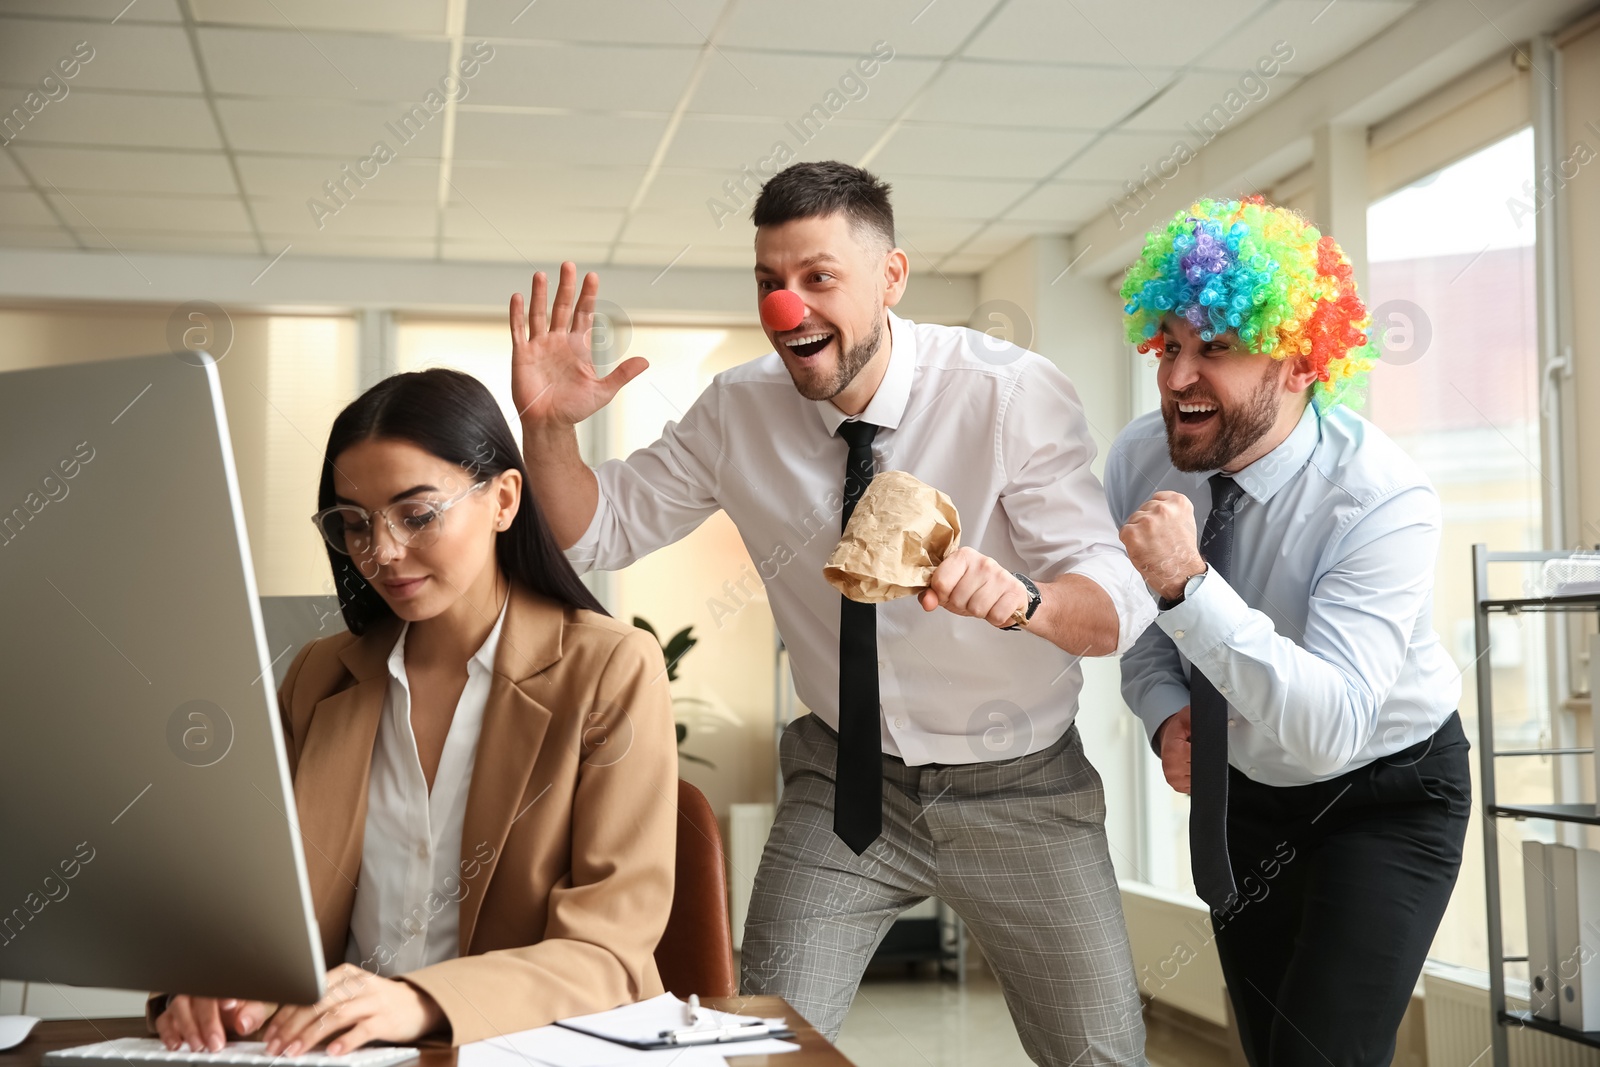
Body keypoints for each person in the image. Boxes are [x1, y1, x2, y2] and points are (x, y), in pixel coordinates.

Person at [509, 160, 1156, 1066]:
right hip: (844, 779)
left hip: (1022, 784)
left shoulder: (1006, 392)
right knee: (762, 1051)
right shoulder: (739, 409)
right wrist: (546, 429)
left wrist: (1025, 600)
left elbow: (1115, 601)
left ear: (890, 279)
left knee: (1101, 1058)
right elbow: (598, 532)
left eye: (818, 278)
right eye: (770, 282)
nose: (787, 308)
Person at [150, 369, 676, 1054]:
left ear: (504, 500)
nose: (383, 552)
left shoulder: (612, 667)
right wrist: (210, 982)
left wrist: (419, 1001)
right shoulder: (319, 677)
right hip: (342, 1050)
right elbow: (250, 904)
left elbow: (608, 949)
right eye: (356, 523)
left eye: (417, 513)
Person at [1106, 196, 1469, 1066]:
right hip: (1249, 794)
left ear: (1303, 362)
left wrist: (1190, 583)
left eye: (1216, 350)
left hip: (1384, 791)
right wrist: (1164, 712)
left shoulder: (1381, 500)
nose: (1176, 376)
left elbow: (1334, 722)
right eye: (1169, 346)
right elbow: (1141, 630)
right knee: (1272, 1049)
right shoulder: (1139, 459)